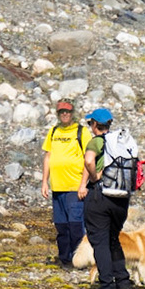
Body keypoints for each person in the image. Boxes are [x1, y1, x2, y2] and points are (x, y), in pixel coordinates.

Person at [77, 107, 132, 289]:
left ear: (94, 124)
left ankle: (107, 287)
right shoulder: (120, 142)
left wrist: (93, 178)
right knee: (113, 240)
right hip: (121, 199)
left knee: (99, 242)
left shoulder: (97, 141)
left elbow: (89, 160)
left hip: (100, 197)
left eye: (89, 123)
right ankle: (123, 283)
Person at [40, 100, 89, 267]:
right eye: (61, 112)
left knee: (76, 226)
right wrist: (44, 182)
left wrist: (83, 184)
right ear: (58, 113)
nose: (65, 114)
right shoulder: (53, 131)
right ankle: (65, 258)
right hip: (57, 187)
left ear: (73, 112)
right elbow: (48, 156)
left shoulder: (81, 132)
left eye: (67, 111)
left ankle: (79, 260)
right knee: (61, 226)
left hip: (74, 187)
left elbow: (88, 159)